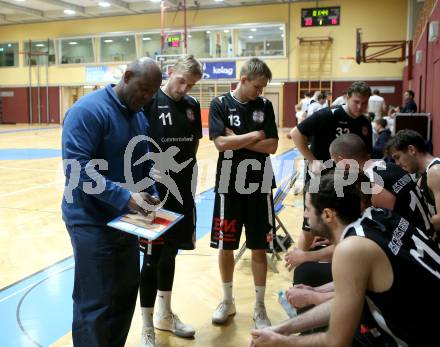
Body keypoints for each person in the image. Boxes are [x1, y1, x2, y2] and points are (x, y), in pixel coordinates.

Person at [250, 173, 440, 347]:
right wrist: (282, 329)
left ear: (327, 215)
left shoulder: (351, 249)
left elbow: (336, 341)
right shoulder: (377, 215)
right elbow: (345, 300)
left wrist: (281, 342)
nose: (306, 215)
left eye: (307, 209)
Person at [61, 57, 163, 347]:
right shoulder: (87, 111)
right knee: (95, 303)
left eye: (152, 93)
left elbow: (142, 163)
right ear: (127, 76)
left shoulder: (139, 116)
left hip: (125, 221)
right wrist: (125, 197)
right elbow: (76, 169)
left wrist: (151, 191)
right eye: (143, 89)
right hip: (90, 222)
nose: (147, 98)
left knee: (123, 296)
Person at [285, 133, 434, 306]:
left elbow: (370, 239)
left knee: (308, 272)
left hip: (410, 261)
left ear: (342, 161)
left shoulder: (371, 186)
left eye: (335, 164)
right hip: (419, 245)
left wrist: (307, 257)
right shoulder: (387, 167)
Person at [209, 58, 278, 329]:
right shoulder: (220, 104)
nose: (260, 92)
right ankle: (227, 301)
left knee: (259, 246)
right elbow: (220, 144)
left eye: (263, 88)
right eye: (257, 86)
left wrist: (238, 137)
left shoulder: (266, 105)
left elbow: (272, 146)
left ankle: (260, 308)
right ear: (244, 78)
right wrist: (254, 135)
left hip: (260, 184)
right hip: (228, 184)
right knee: (226, 245)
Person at [138, 55, 203, 347]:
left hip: (182, 192)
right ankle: (147, 326)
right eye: (181, 81)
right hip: (154, 193)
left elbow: (194, 145)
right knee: (152, 259)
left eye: (190, 85)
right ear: (170, 73)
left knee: (172, 253)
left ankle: (165, 315)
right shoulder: (150, 102)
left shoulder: (192, 106)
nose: (183, 88)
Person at [288, 81, 373, 252]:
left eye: (364, 103)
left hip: (347, 182)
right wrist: (312, 160)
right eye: (356, 102)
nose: (360, 106)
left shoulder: (365, 123)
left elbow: (367, 155)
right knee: (311, 227)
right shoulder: (328, 115)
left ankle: (334, 265)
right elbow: (296, 133)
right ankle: (300, 264)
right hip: (320, 178)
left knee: (342, 224)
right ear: (347, 97)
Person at [388, 129, 440, 236]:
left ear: (411, 150)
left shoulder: (435, 172)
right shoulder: (423, 177)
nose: (397, 164)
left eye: (397, 157)